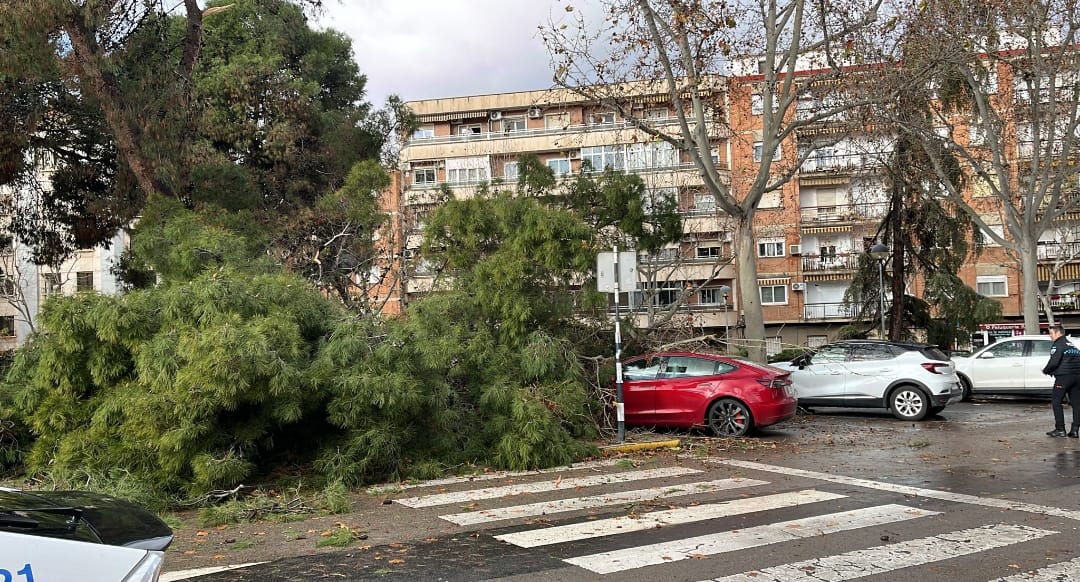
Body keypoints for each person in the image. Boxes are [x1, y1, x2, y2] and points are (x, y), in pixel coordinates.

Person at [1041, 324, 1080, 438]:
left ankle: (1060, 429)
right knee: (1076, 404)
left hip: (1064, 377)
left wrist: (1046, 370)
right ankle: (1075, 430)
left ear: (1058, 333)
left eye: (1051, 333)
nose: (1050, 336)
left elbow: (1054, 362)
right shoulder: (1072, 345)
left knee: (1056, 401)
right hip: (1077, 377)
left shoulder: (1058, 344)